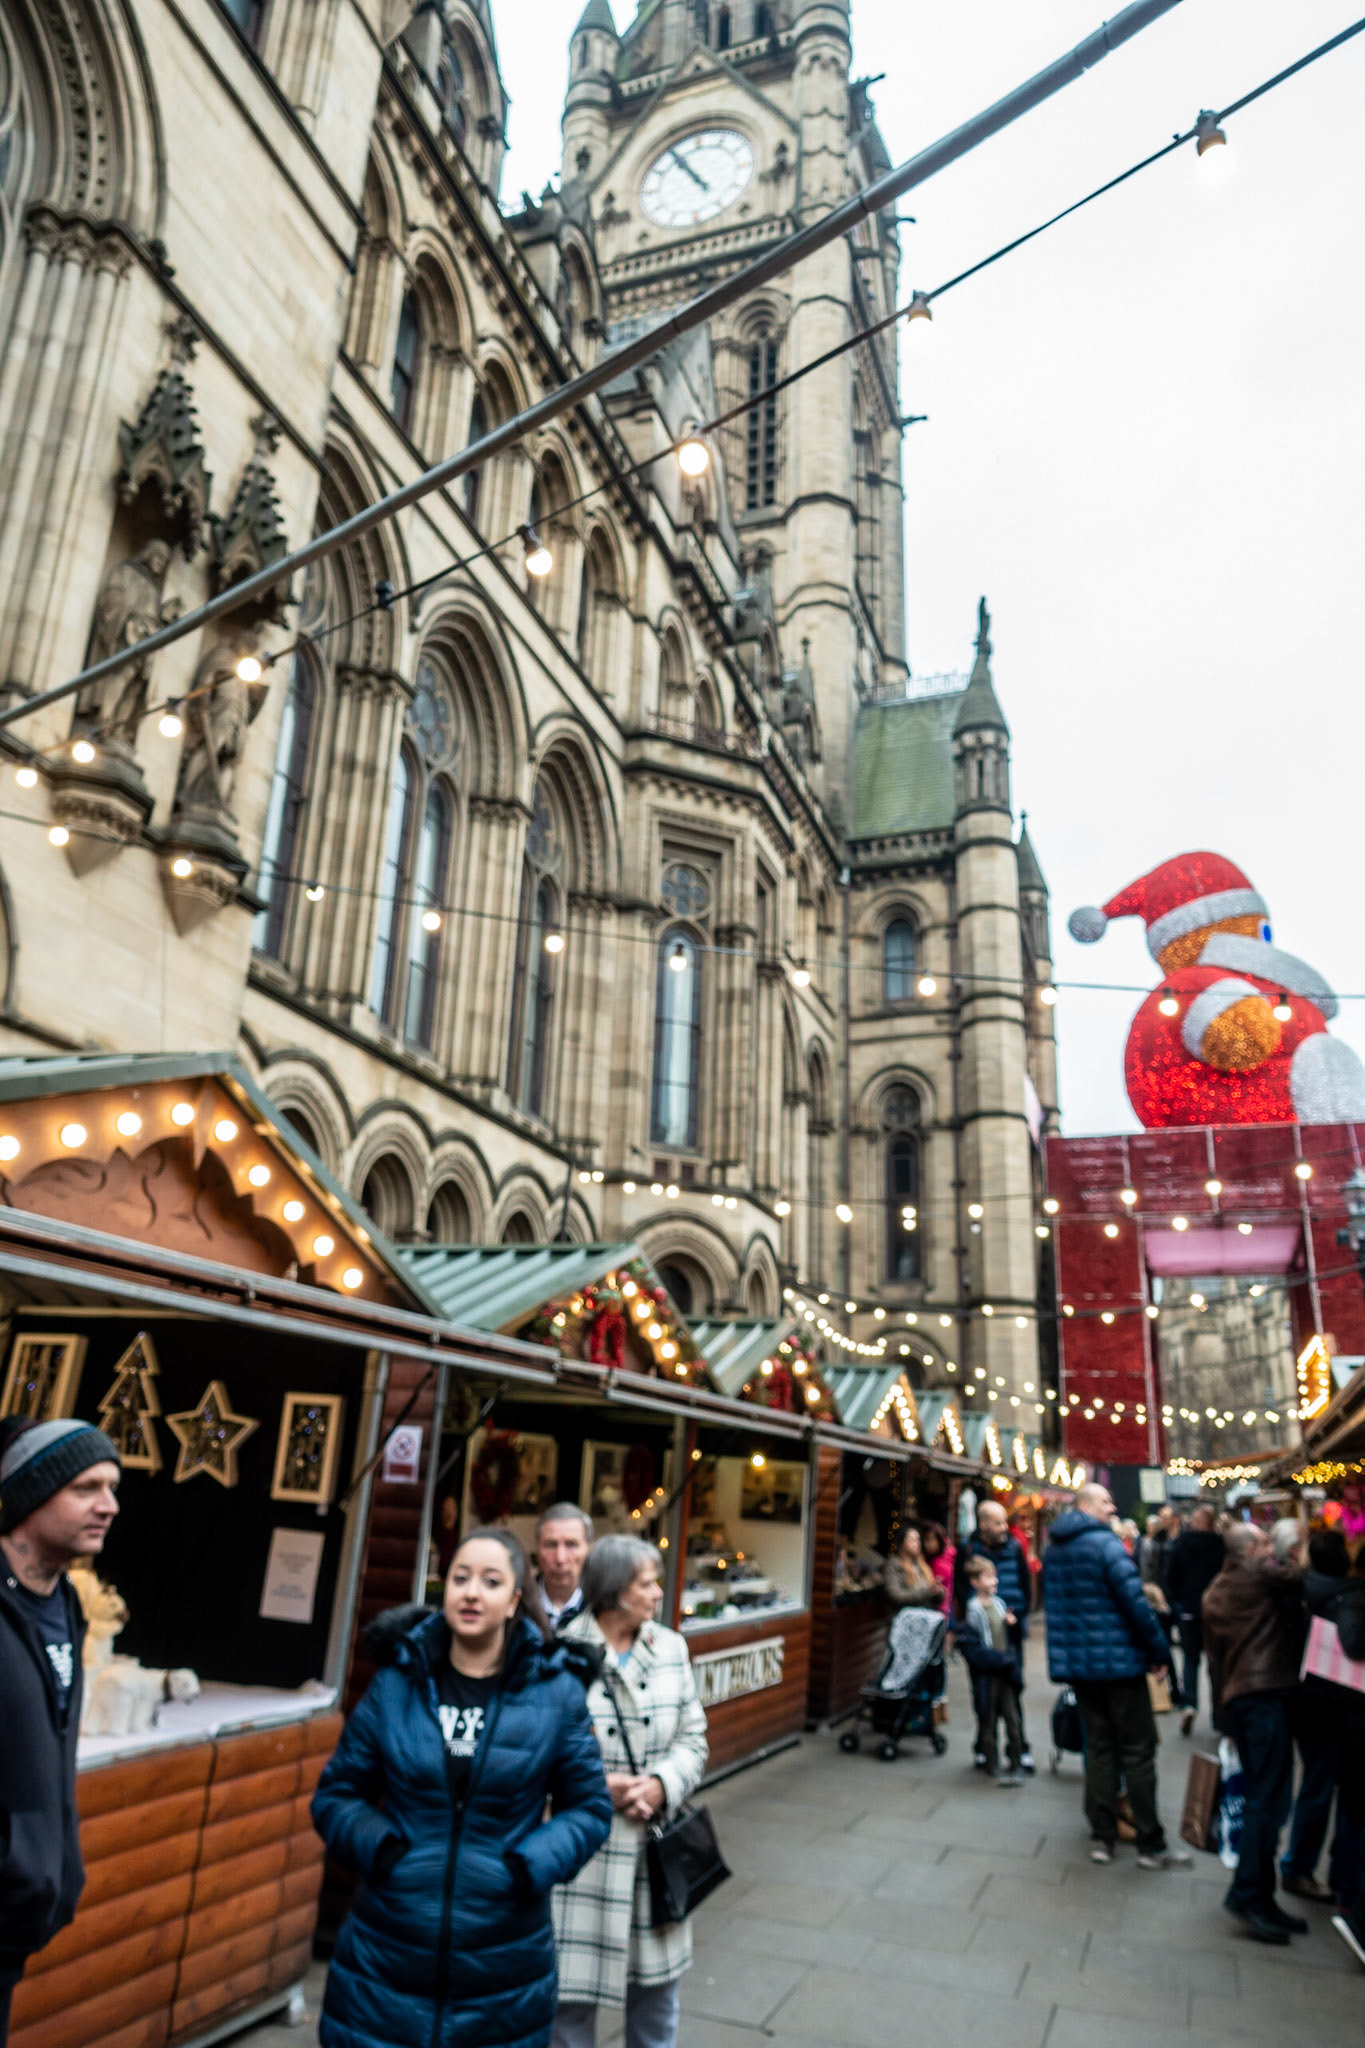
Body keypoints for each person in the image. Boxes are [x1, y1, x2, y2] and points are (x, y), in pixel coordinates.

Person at [312, 1527, 612, 2048]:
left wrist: (527, 1864)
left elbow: (588, 1808)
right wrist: (384, 1850)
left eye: (490, 1581)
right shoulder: (397, 1682)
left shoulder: (555, 1693)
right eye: (460, 1578)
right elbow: (337, 1794)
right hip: (385, 1954)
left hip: (504, 1962)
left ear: (516, 1598)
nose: (471, 1592)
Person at [553, 1536, 709, 2048]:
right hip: (581, 1855)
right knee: (567, 2008)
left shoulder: (671, 1648)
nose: (658, 1593)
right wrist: (596, 1786)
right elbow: (532, 1752)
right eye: (646, 1584)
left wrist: (662, 1785)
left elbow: (694, 1738)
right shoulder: (559, 1652)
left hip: (654, 1851)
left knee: (657, 2005)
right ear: (616, 1590)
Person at [0, 1417, 122, 2048]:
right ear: (29, 1494)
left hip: (18, 1924)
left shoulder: (66, 1605)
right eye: (86, 1488)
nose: (110, 1505)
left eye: (112, 1487)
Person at [1042, 1480, 1190, 1871]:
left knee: (1100, 1749)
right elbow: (1135, 1605)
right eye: (1106, 1501)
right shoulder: (1106, 1545)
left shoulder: (1054, 1549)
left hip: (1082, 1668)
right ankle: (1150, 1843)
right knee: (1138, 1751)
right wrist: (1158, 1652)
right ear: (1088, 1506)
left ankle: (1103, 1837)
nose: (1112, 1508)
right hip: (1120, 1664)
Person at [1201, 1521, 1307, 1946]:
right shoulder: (1259, 1573)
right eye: (1264, 1543)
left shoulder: (1217, 1589)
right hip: (1264, 1696)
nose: (1270, 1550)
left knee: (1264, 1796)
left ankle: (1261, 1895)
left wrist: (1223, 1719)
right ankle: (1248, 1893)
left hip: (1241, 1700)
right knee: (1269, 1800)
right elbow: (1299, 1576)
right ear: (1247, 1549)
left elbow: (1215, 1660)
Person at [1282, 1528, 1354, 1909]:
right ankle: (1304, 1868)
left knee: (1315, 1783)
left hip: (1303, 1698)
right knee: (1326, 1787)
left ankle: (1302, 1864)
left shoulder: (1300, 1588)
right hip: (1337, 1704)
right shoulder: (1346, 1594)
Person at [954, 1496, 1035, 1770]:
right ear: (984, 1524)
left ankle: (1019, 1748)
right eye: (999, 1522)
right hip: (980, 1636)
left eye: (1005, 1521)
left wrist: (1019, 1615)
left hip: (1009, 1632)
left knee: (1012, 1688)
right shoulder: (967, 1548)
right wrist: (974, 1616)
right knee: (983, 1693)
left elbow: (1026, 1584)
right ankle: (983, 1746)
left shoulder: (1014, 1547)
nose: (1004, 1527)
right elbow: (960, 1587)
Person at [959, 1554, 1025, 1786]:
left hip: (1005, 1670)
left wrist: (1012, 1626)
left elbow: (1011, 1637)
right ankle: (992, 1762)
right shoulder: (974, 1609)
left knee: (1012, 1717)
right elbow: (976, 1646)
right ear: (976, 1582)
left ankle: (1016, 1761)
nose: (995, 1581)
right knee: (987, 1718)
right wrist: (996, 1659)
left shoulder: (999, 1603)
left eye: (994, 1576)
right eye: (989, 1577)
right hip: (989, 1673)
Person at [1167, 1503, 1226, 1733]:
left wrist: (1178, 1601)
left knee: (1190, 1660)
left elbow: (1171, 1577)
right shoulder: (1220, 1545)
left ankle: (1189, 1704)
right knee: (1215, 1663)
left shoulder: (1182, 1545)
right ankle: (1218, 1716)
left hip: (1189, 1610)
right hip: (1215, 1611)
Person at [537, 1502, 594, 1630]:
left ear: (589, 1549)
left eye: (571, 1545)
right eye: (551, 1545)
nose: (560, 1558)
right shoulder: (515, 1605)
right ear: (537, 1548)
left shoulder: (603, 1608)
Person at [884, 1524, 946, 1610]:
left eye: (918, 1540)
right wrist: (927, 1591)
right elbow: (895, 1596)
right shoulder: (894, 1564)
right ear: (902, 1543)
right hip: (906, 1617)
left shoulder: (921, 1564)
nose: (918, 1543)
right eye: (913, 1540)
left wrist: (938, 1592)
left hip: (925, 1614)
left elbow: (932, 1597)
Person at [921, 1521, 956, 1606]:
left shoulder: (940, 1564)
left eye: (931, 1540)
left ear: (940, 1541)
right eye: (925, 1540)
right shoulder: (944, 1556)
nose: (927, 1544)